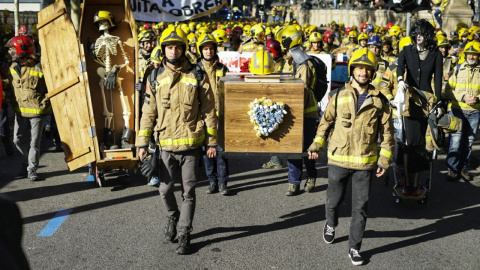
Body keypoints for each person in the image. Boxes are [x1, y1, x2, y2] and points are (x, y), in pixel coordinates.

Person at [307, 48, 394, 266]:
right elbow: (324, 124)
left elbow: (388, 134)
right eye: (359, 68)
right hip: (338, 159)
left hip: (365, 162)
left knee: (361, 208)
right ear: (351, 70)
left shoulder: (380, 101)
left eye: (368, 69)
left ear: (372, 73)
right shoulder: (338, 96)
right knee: (333, 201)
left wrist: (384, 160)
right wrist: (317, 144)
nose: (363, 72)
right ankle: (330, 223)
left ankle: (355, 247)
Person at [136, 27, 217, 255]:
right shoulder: (155, 77)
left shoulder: (197, 75)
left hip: (191, 145)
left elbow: (209, 110)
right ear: (164, 50)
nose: (173, 51)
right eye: (169, 47)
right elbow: (148, 113)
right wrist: (142, 143)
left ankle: (184, 232)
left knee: (189, 192)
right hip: (166, 147)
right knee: (164, 189)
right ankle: (173, 217)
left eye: (177, 47)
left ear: (183, 49)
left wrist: (211, 143)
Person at [394, 19, 443, 195]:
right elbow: (400, 68)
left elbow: (437, 80)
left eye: (422, 33)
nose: (419, 36)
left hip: (427, 102)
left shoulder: (436, 54)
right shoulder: (406, 50)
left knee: (422, 145)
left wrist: (437, 102)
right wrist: (400, 81)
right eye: (417, 33)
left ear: (427, 35)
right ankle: (408, 183)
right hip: (410, 102)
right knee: (410, 143)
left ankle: (416, 182)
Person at [276, 25, 320, 195]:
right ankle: (293, 181)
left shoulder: (304, 64)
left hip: (307, 112)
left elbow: (300, 90)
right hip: (292, 111)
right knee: (292, 146)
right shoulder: (289, 63)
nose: (281, 47)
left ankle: (311, 176)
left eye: (283, 44)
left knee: (308, 147)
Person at [8, 35, 49, 181]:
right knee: (17, 140)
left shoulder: (39, 66)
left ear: (22, 51)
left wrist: (47, 100)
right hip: (20, 110)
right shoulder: (12, 68)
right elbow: (10, 89)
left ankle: (32, 169)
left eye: (12, 50)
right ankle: (26, 161)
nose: (10, 53)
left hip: (37, 110)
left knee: (34, 142)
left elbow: (52, 85)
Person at [196, 33, 230, 195]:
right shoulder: (195, 70)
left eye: (210, 49)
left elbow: (229, 93)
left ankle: (223, 183)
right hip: (203, 118)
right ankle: (212, 182)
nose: (208, 52)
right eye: (205, 49)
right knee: (207, 153)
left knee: (221, 153)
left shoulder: (222, 69)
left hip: (221, 117)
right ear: (200, 51)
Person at [444, 41, 480, 181]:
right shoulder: (457, 69)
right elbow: (447, 89)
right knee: (456, 140)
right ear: (465, 55)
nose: (471, 57)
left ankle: (463, 168)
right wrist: (463, 97)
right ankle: (452, 169)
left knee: (469, 142)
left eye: (475, 54)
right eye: (469, 54)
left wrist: (477, 99)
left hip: (475, 112)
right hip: (457, 110)